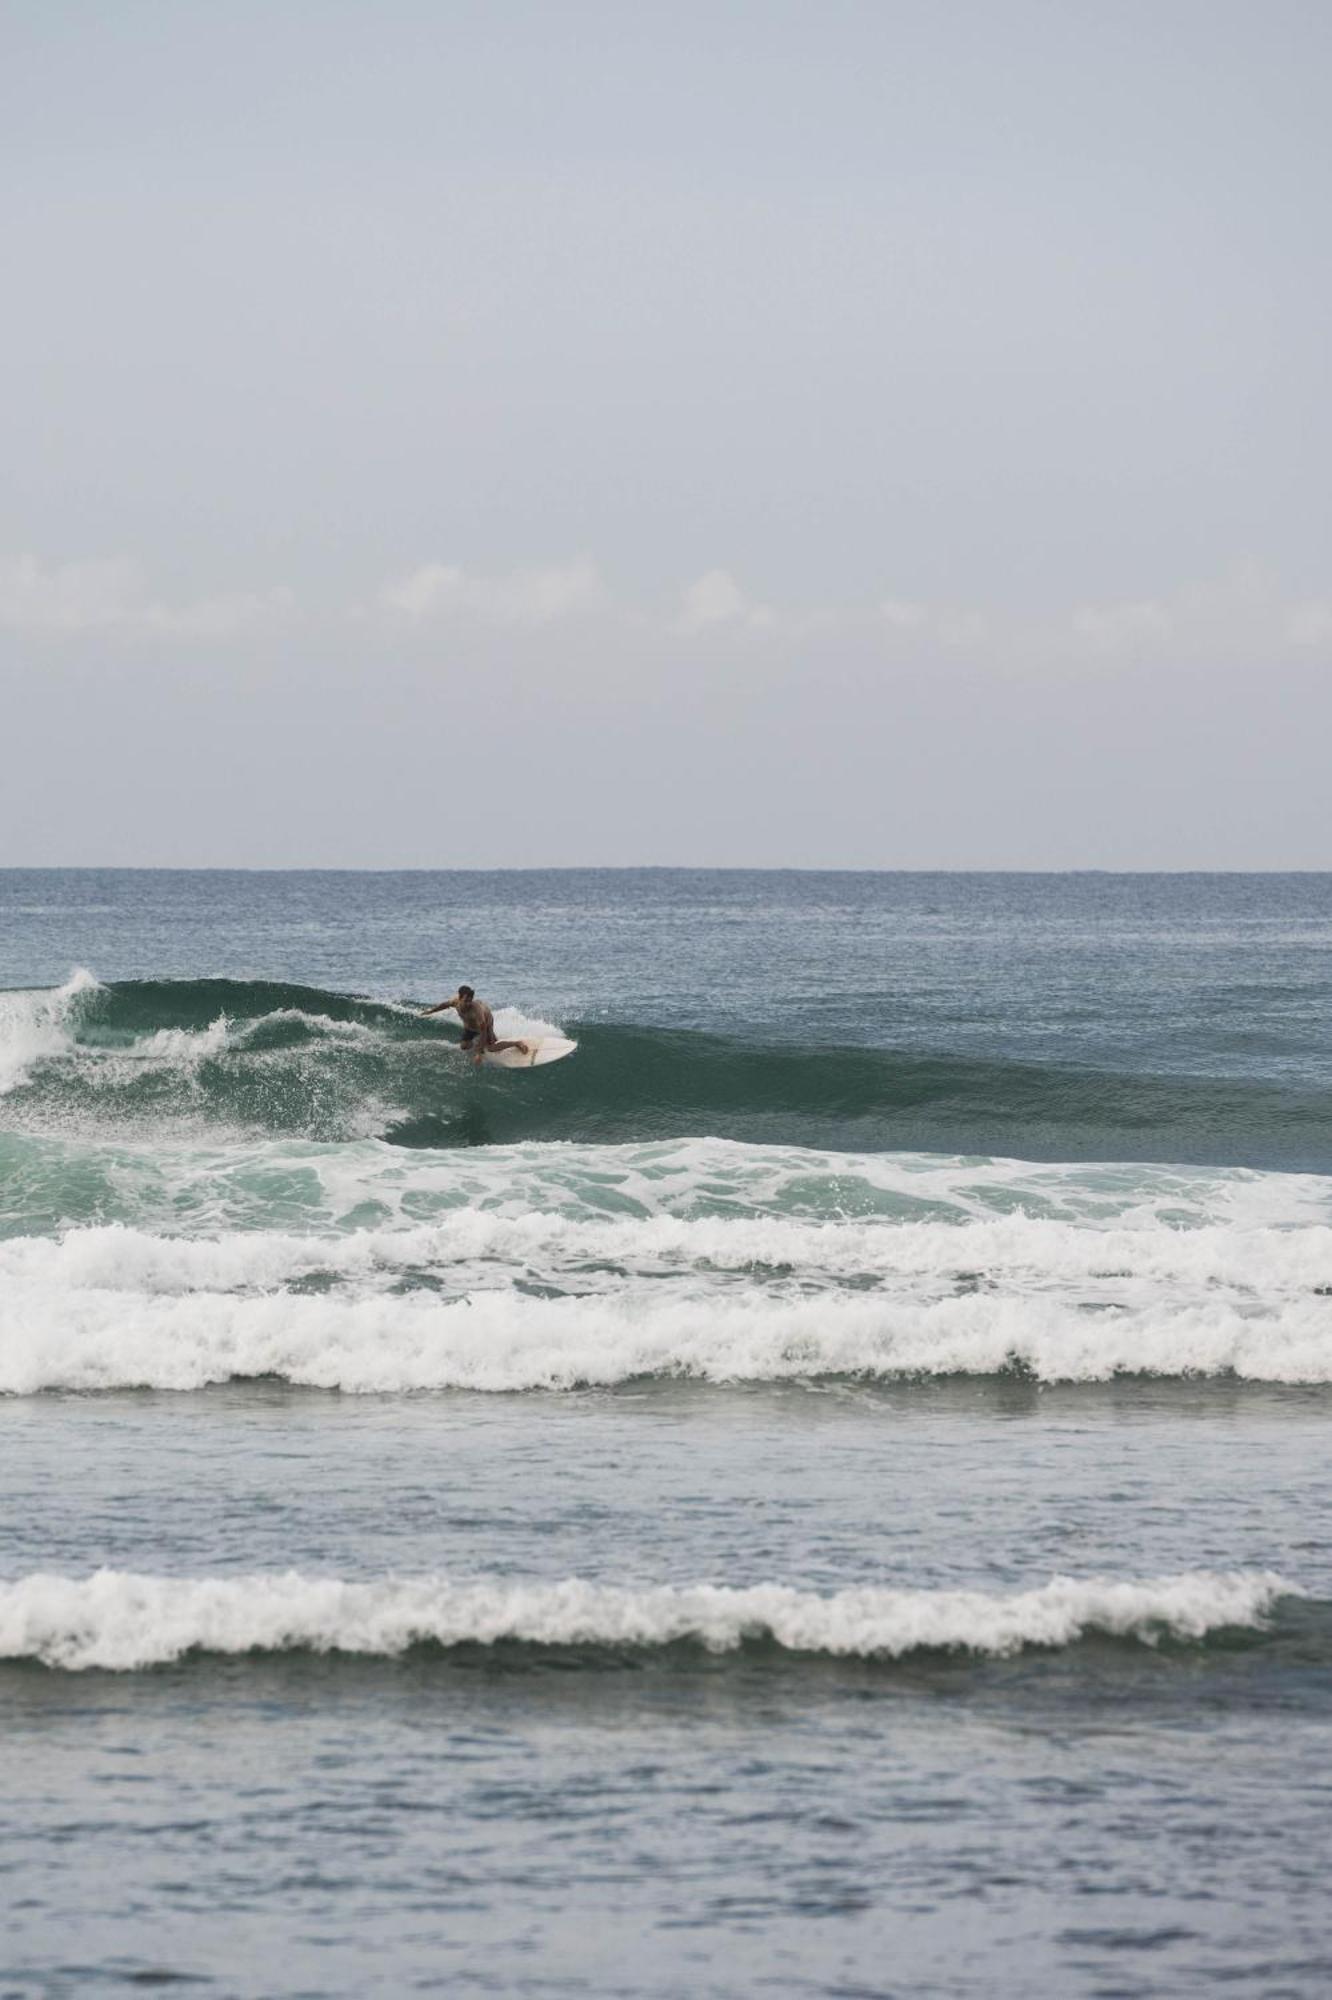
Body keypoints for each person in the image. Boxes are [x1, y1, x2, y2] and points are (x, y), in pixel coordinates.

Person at [421, 986, 529, 1065]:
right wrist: (430, 1011)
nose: (468, 1003)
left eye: (470, 1000)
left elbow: (483, 1032)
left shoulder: (476, 1012)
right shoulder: (455, 1001)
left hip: (486, 1022)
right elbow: (444, 1005)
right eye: (465, 1000)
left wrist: (478, 1053)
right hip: (470, 1027)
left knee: (491, 1048)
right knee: (464, 1046)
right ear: (459, 998)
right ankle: (482, 1043)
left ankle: (517, 1043)